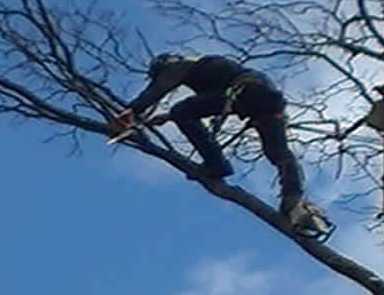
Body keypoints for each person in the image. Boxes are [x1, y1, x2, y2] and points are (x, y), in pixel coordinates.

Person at [110, 53, 334, 241]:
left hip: (244, 93)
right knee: (279, 154)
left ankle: (216, 164)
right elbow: (211, 100)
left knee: (182, 111)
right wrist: (167, 117)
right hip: (266, 98)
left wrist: (133, 110)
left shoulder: (181, 66)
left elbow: (162, 87)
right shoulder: (213, 69)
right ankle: (293, 200)